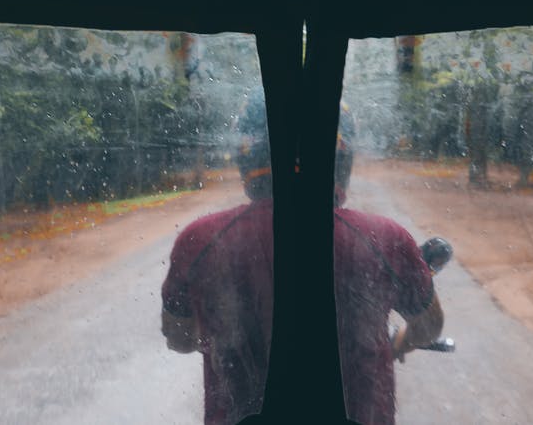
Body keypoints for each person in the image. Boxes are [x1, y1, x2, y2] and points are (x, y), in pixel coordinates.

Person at [161, 95, 444, 425]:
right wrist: (400, 342)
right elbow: (429, 325)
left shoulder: (200, 240)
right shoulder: (386, 238)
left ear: (247, 155)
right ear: (341, 157)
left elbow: (179, 339)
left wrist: (227, 339)